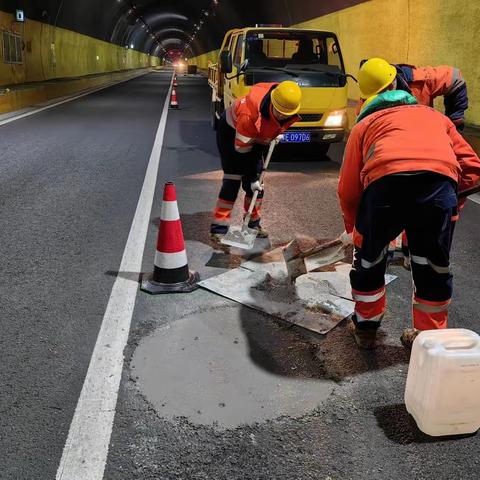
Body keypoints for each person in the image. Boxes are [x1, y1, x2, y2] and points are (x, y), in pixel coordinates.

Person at [338, 65, 480, 350]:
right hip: (438, 191)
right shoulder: (436, 117)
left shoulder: (364, 126)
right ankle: (430, 341)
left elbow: (349, 190)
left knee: (370, 261)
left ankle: (366, 330)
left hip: (384, 191)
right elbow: (474, 170)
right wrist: (451, 203)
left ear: (366, 101)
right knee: (433, 267)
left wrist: (354, 231)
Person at [357, 57, 469, 268]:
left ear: (392, 83)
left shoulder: (422, 79)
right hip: (401, 160)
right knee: (402, 201)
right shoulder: (368, 105)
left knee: (415, 205)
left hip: (430, 144)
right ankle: (391, 247)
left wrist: (455, 119)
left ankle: (411, 249)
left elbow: (456, 79)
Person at [210, 81, 302, 240]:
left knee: (257, 186)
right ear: (272, 101)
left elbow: (259, 147)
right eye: (279, 112)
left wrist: (274, 134)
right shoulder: (249, 114)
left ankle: (252, 224)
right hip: (231, 133)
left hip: (255, 134)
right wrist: (251, 177)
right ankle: (219, 227)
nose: (281, 116)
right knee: (233, 179)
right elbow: (243, 152)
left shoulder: (287, 104)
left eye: (285, 115)